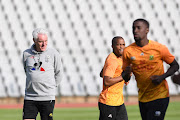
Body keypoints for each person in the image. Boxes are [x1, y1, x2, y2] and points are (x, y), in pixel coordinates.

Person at [122, 18, 179, 120]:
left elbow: (175, 65)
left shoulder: (159, 48)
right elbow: (125, 77)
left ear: (147, 30)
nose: (135, 30)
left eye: (139, 28)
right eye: (133, 28)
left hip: (160, 95)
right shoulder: (128, 51)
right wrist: (126, 73)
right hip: (143, 97)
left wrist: (162, 77)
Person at [22, 28, 63, 120]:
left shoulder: (54, 54)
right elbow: (27, 71)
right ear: (34, 40)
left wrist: (51, 86)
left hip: (47, 97)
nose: (44, 44)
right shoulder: (26, 54)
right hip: (30, 97)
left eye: (46, 41)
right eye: (41, 41)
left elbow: (59, 73)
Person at [98, 36, 129, 120]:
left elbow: (101, 74)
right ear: (112, 46)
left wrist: (128, 74)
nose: (121, 47)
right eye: (118, 45)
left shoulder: (121, 58)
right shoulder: (112, 60)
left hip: (119, 102)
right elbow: (107, 81)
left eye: (123, 44)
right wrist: (123, 76)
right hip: (108, 102)